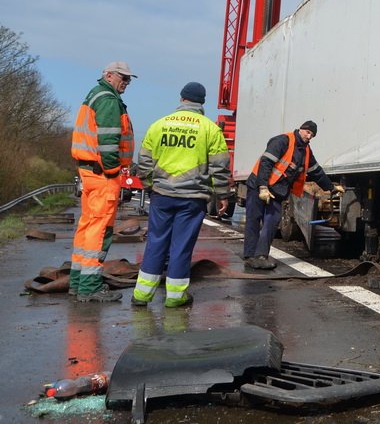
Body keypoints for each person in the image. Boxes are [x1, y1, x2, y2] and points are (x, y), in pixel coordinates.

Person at [130, 82, 231, 308]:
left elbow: (144, 162)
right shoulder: (210, 129)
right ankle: (175, 296)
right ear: (202, 102)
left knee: (156, 242)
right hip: (192, 198)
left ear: (182, 99)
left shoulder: (159, 125)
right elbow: (220, 166)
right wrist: (222, 194)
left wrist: (149, 186)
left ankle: (141, 295)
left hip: (162, 195)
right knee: (181, 245)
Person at [70, 61, 136, 302]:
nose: (127, 83)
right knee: (100, 230)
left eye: (129, 79)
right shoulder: (108, 99)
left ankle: (78, 282)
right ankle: (89, 287)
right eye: (123, 78)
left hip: (90, 173)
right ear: (109, 76)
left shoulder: (96, 95)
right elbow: (108, 140)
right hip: (102, 175)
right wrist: (113, 170)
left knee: (87, 227)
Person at [243, 121, 341, 269]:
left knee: (271, 223)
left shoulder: (306, 151)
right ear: (301, 129)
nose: (309, 137)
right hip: (258, 186)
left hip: (277, 192)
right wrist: (262, 187)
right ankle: (250, 256)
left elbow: (316, 172)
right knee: (254, 219)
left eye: (312, 135)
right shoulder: (282, 141)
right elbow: (266, 163)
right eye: (308, 132)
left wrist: (331, 188)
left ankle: (261, 256)